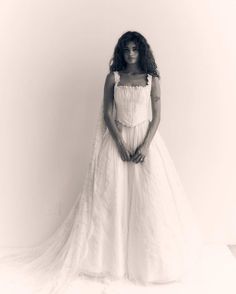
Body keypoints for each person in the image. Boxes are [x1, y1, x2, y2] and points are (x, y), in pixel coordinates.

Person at [0, 31, 205, 294]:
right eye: (126, 50)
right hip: (117, 140)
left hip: (146, 143)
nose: (131, 54)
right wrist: (119, 142)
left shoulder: (151, 80)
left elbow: (157, 117)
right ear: (121, 52)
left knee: (149, 200)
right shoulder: (114, 78)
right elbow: (107, 112)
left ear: (142, 52)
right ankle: (108, 261)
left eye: (135, 49)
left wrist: (145, 145)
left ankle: (149, 263)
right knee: (112, 200)